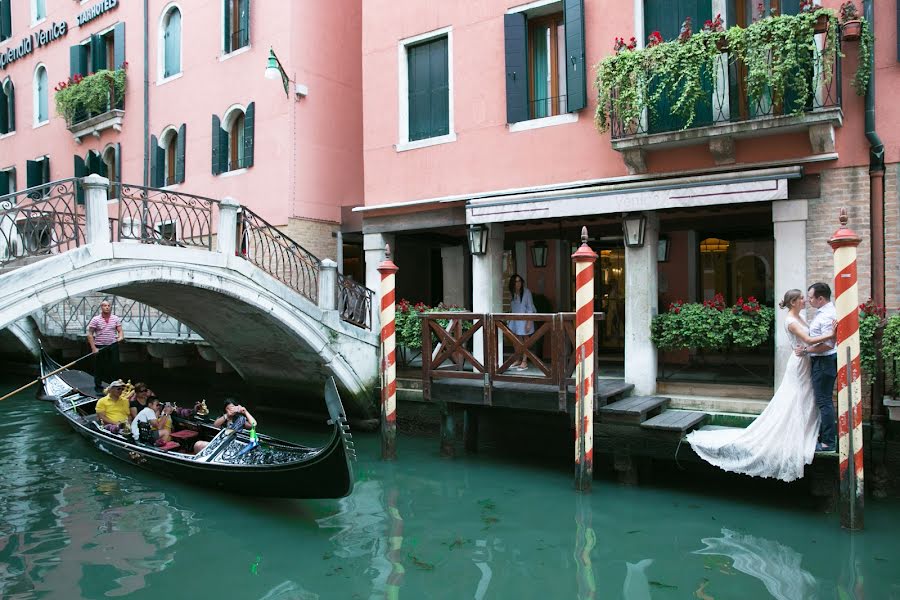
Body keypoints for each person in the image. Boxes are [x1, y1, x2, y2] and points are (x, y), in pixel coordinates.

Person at [685, 289, 836, 482]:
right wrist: (832, 334)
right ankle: (793, 433)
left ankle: (806, 432)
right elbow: (806, 340)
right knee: (795, 397)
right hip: (799, 364)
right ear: (793, 302)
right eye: (800, 298)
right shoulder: (791, 320)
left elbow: (809, 339)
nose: (804, 300)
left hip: (806, 361)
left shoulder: (799, 316)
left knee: (807, 397)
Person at [805, 282, 838, 452]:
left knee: (824, 401)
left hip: (824, 361)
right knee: (823, 400)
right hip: (822, 361)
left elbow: (829, 344)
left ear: (820, 298)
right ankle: (824, 437)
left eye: (811, 297)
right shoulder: (823, 313)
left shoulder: (827, 315)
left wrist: (806, 350)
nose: (808, 300)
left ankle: (828, 443)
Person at [192, 399, 257, 454]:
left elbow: (253, 425)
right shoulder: (222, 418)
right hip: (220, 443)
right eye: (228, 408)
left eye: (233, 407)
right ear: (225, 410)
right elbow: (215, 425)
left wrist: (245, 411)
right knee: (198, 445)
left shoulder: (240, 419)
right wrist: (227, 415)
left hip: (235, 445)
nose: (231, 410)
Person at [87, 300, 124, 393]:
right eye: (104, 306)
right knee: (99, 367)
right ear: (101, 307)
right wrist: (94, 348)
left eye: (108, 306)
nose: (107, 307)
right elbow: (90, 334)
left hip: (113, 345)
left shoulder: (115, 318)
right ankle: (98, 387)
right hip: (100, 346)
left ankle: (114, 387)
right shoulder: (96, 319)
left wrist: (121, 337)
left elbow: (120, 330)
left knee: (114, 366)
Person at [508, 274, 536, 371]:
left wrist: (529, 322)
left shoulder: (526, 292)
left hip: (525, 319)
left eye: (519, 281)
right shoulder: (512, 293)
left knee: (525, 341)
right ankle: (518, 359)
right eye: (516, 281)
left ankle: (524, 361)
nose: (518, 283)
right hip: (515, 319)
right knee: (515, 341)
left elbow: (530, 308)